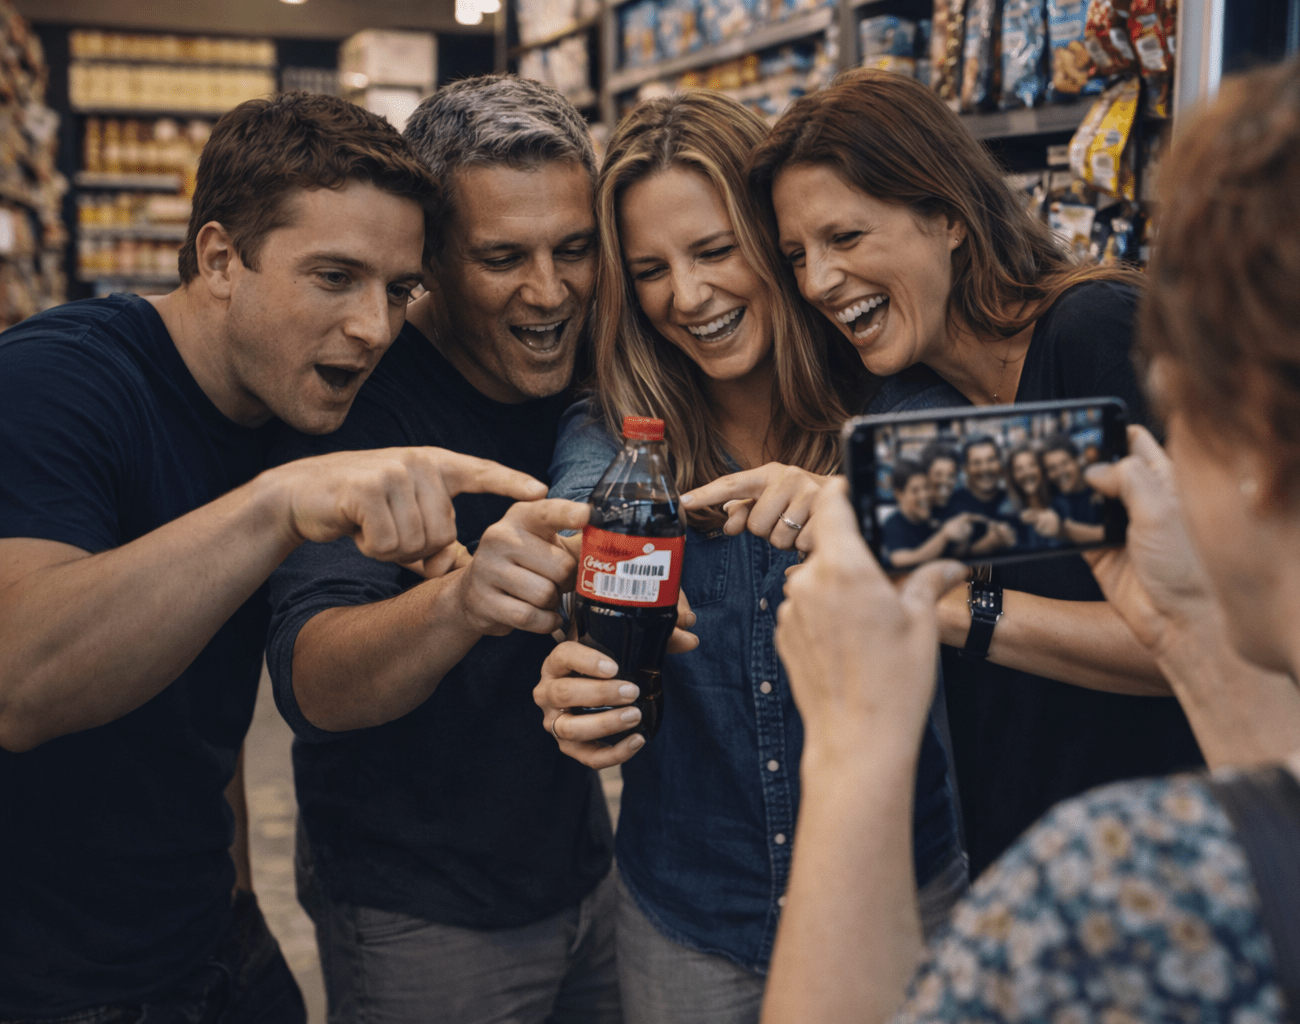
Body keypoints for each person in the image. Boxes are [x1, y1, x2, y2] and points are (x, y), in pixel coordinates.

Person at [761, 33, 1300, 1023]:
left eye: (1186, 395)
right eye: (798, 255)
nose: (818, 279)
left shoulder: (1120, 897)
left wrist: (857, 746)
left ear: (1264, 456)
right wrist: (1186, 633)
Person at [0, 94, 548, 1022]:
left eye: (398, 289)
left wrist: (238, 895)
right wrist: (277, 506)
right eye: (334, 276)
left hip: (208, 942)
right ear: (220, 258)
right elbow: (19, 681)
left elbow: (193, 706)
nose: (374, 326)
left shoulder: (284, 406)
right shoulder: (56, 379)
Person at [527, 90, 968, 1024]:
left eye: (715, 251)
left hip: (902, 900)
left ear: (777, 243)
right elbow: (580, 527)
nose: (687, 296)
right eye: (650, 269)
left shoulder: (895, 408)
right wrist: (577, 654)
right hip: (685, 924)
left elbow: (985, 566)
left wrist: (856, 511)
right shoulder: (616, 437)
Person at [736, 66, 1205, 876]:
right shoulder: (916, 398)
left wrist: (950, 605)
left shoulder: (1093, 332)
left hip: (1160, 874)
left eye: (845, 238)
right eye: (797, 256)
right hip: (1019, 871)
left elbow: (1208, 639)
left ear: (947, 218)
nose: (816, 281)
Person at [261, 77, 624, 1023]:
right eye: (502, 258)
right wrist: (464, 604)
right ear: (429, 261)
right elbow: (314, 684)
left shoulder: (605, 361)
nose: (549, 292)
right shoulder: (360, 396)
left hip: (593, 872)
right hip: (418, 911)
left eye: (574, 250)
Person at [882, 459, 975, 569]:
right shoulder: (893, 524)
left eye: (926, 487)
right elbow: (902, 561)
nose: (924, 495)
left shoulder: (935, 517)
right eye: (915, 490)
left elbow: (953, 555)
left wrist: (963, 538)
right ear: (899, 494)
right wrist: (944, 535)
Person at [943, 436, 1018, 555]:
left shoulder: (1014, 499)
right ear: (965, 469)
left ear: (1000, 463)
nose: (985, 468)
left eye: (991, 460)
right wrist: (987, 544)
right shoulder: (952, 506)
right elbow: (948, 566)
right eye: (977, 463)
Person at [1041, 434, 1105, 543]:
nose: (1060, 472)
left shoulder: (1101, 490)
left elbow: (1117, 534)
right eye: (1052, 468)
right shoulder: (1055, 504)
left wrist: (1066, 530)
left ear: (1077, 461)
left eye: (1064, 463)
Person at [1001, 444, 1062, 550]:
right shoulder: (1007, 513)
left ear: (1041, 469)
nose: (1027, 472)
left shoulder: (1060, 503)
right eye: (1019, 469)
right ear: (1013, 476)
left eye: (1032, 465)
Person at [920, 440, 960, 518]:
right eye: (938, 475)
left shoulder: (959, 513)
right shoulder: (913, 516)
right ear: (924, 476)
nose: (945, 481)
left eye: (951, 476)